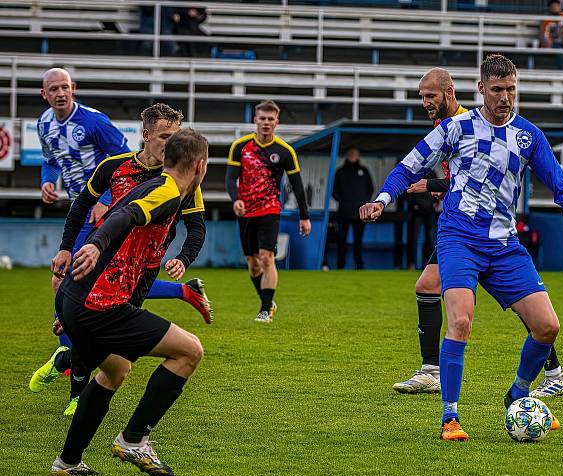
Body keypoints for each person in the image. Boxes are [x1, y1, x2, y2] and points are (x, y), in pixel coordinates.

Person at [361, 54, 563, 441]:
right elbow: (409, 167)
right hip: (459, 239)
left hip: (505, 245)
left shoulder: (528, 135)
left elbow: (560, 185)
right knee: (461, 321)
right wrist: (383, 199)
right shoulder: (457, 128)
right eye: (498, 90)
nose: (505, 97)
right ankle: (450, 417)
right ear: (481, 89)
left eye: (511, 90)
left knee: (547, 327)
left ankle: (517, 397)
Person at [392, 67, 563, 399]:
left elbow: (483, 177)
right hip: (462, 226)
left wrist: (431, 184)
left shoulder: (468, 124)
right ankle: (434, 369)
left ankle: (552, 370)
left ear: (449, 93)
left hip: (484, 231)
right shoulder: (444, 126)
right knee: (427, 285)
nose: (425, 103)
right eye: (422, 97)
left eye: (430, 96)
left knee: (524, 307)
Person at [31, 91, 212, 417]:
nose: (171, 145)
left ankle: (68, 359)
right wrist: (64, 248)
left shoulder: (184, 181)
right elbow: (82, 205)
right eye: (164, 137)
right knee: (104, 344)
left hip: (141, 274)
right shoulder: (115, 167)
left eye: (176, 137)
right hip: (102, 263)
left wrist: (182, 259)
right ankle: (78, 396)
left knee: (113, 351)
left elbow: (197, 228)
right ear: (145, 135)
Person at [49, 128, 208, 476]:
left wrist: (68, 310)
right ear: (200, 166)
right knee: (189, 351)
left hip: (78, 299)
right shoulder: (166, 190)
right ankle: (134, 439)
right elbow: (127, 216)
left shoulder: (164, 187)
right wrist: (94, 244)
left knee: (116, 370)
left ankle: (67, 462)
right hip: (97, 304)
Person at [226, 100, 311, 322]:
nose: (266, 123)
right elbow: (230, 178)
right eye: (262, 118)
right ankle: (267, 301)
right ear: (255, 120)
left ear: (277, 122)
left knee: (266, 258)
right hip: (245, 212)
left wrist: (304, 216)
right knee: (253, 265)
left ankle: (265, 310)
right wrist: (235, 200)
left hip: (270, 210)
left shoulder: (285, 151)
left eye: (270, 119)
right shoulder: (240, 147)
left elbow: (297, 184)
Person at [332, 147, 374, 269]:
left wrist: (363, 203)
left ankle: (359, 265)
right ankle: (340, 265)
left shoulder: (364, 171)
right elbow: (334, 192)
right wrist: (344, 202)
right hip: (343, 212)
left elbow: (370, 189)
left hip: (361, 212)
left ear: (358, 156)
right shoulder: (340, 171)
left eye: (354, 154)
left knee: (358, 240)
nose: (352, 156)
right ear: (346, 156)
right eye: (350, 154)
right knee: (341, 240)